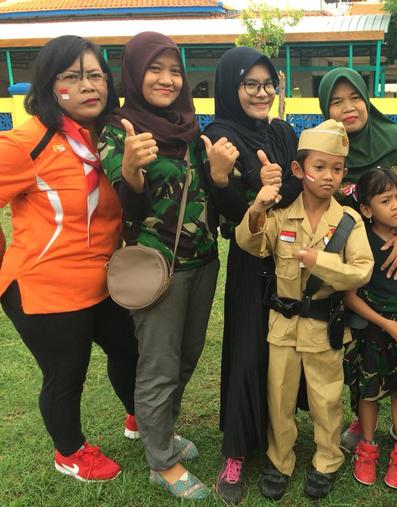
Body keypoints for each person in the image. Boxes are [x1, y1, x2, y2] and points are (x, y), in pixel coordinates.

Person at [99, 31, 232, 499]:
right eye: (155, 69)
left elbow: (211, 195)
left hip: (204, 262)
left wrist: (220, 175)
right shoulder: (120, 130)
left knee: (187, 357)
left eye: (175, 70)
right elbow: (128, 203)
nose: (167, 79)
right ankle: (161, 462)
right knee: (159, 365)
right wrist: (131, 170)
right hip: (157, 267)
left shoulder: (191, 129)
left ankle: (164, 433)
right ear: (135, 73)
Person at [0, 35, 138, 482]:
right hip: (44, 287)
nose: (88, 85)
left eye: (96, 75)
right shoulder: (26, 142)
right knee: (66, 373)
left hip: (102, 281)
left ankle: (140, 415)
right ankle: (70, 453)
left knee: (129, 350)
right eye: (72, 76)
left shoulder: (111, 137)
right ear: (49, 83)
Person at [235, 119, 374, 501]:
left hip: (323, 326)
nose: (329, 176)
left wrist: (320, 262)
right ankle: (279, 460)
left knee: (325, 399)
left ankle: (327, 460)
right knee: (279, 398)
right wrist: (258, 207)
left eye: (337, 169)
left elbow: (362, 270)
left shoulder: (347, 221)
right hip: (282, 325)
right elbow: (250, 244)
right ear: (298, 169)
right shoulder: (282, 215)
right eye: (319, 167)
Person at [318, 68, 397, 465]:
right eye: (337, 101)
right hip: (352, 261)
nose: (348, 107)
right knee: (361, 345)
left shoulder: (396, 140)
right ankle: (361, 419)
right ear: (326, 108)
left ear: (367, 99)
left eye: (355, 97)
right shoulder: (329, 147)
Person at [201, 46, 302, 505]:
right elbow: (229, 213)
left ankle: (282, 435)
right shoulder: (218, 137)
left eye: (268, 84)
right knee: (247, 349)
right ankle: (236, 452)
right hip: (250, 255)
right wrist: (223, 180)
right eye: (250, 84)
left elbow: (300, 183)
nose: (262, 93)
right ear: (231, 86)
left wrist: (277, 184)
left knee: (288, 349)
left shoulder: (282, 131)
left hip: (291, 255)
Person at [345, 168, 397, 490]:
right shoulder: (361, 243)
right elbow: (350, 296)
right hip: (374, 332)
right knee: (369, 392)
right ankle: (367, 449)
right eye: (386, 200)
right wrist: (383, 323)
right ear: (366, 209)